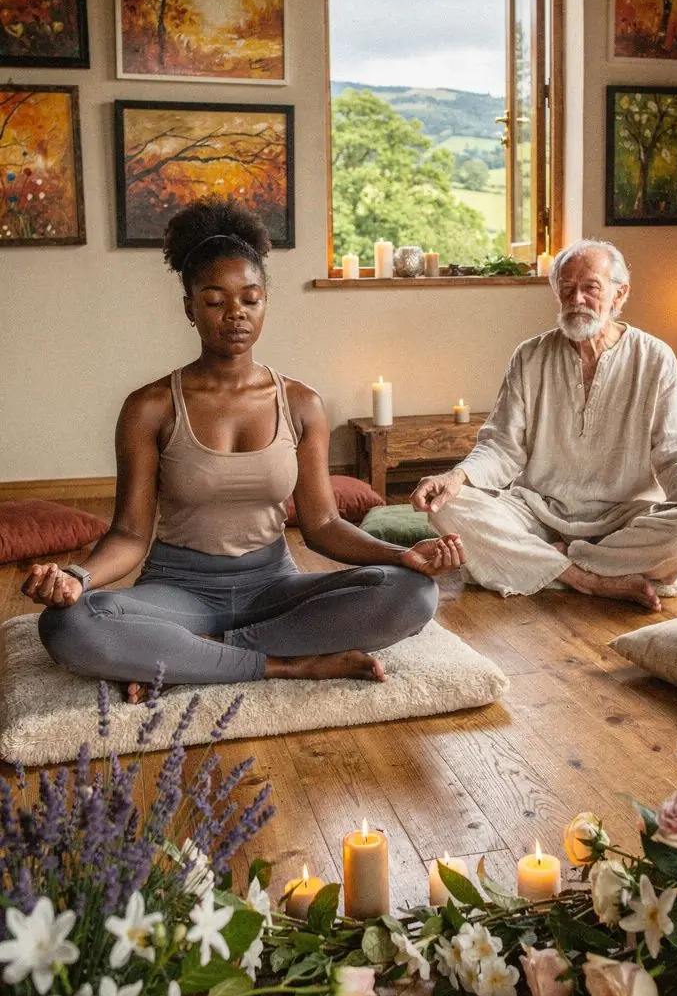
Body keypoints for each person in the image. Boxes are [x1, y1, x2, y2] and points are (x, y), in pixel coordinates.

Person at [24, 198, 463, 695]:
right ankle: (285, 664)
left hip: (274, 585)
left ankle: (191, 655)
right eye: (215, 301)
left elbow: (321, 526)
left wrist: (400, 556)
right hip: (177, 588)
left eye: (250, 299)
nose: (235, 314)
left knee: (413, 594)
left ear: (265, 304)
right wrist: (78, 578)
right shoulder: (149, 407)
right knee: (67, 624)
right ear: (189, 307)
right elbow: (128, 535)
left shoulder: (302, 403)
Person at [412, 239, 677, 612]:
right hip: (538, 512)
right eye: (566, 289)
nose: (577, 298)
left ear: (619, 293)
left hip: (626, 517)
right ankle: (588, 578)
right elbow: (501, 445)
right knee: (448, 507)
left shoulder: (654, 359)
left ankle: (551, 563)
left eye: (590, 288)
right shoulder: (530, 356)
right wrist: (457, 477)